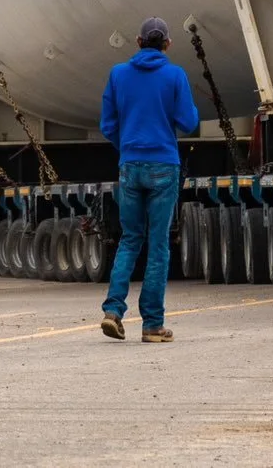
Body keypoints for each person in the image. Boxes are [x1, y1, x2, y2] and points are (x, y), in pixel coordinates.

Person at [97, 17, 200, 343]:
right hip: (163, 166)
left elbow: (107, 124)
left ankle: (113, 310)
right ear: (167, 44)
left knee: (130, 239)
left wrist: (127, 146)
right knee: (158, 246)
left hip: (130, 164)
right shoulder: (174, 75)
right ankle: (152, 325)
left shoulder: (118, 74)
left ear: (138, 42)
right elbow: (188, 121)